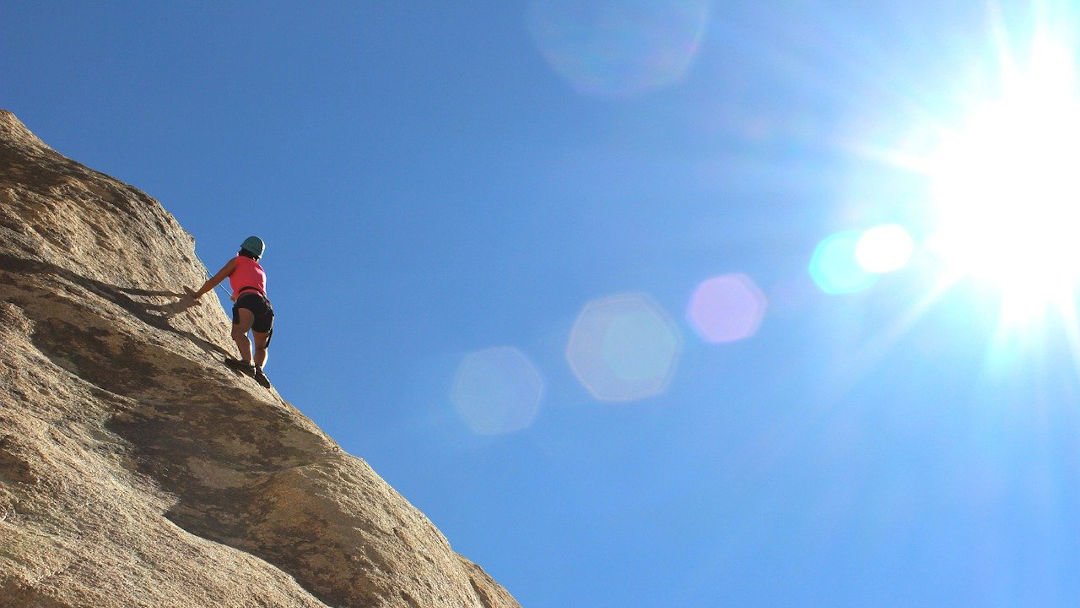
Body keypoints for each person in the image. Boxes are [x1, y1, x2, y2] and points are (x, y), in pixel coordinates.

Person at [189, 236, 274, 388]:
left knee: (239, 333)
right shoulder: (261, 270)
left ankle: (247, 363)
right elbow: (253, 287)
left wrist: (197, 294)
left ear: (242, 250)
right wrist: (237, 295)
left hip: (247, 300)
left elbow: (215, 280)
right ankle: (259, 370)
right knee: (261, 347)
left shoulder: (237, 261)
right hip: (265, 306)